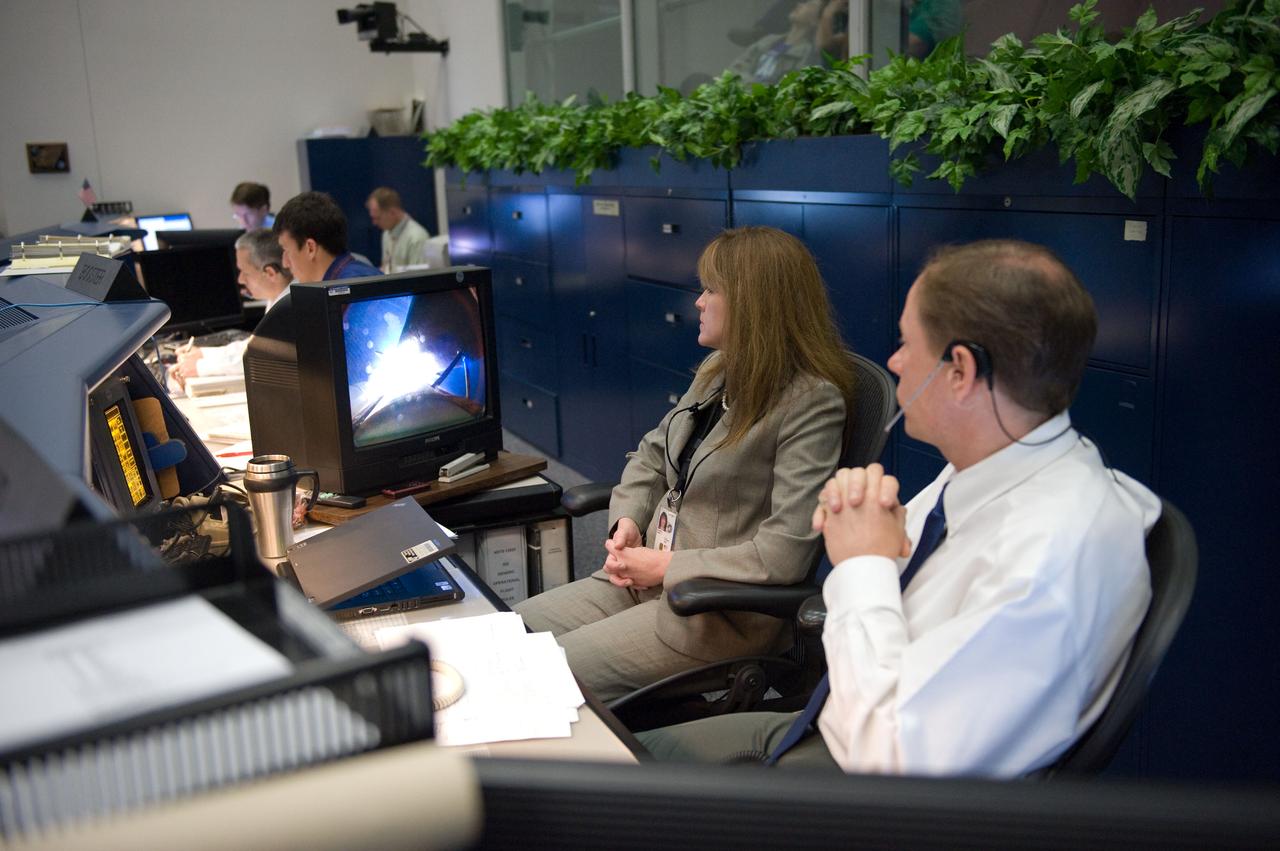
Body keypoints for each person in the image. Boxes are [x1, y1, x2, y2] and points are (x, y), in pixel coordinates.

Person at [638, 239, 1160, 776]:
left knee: (605, 783)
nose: (894, 362)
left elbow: (890, 755)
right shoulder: (985, 470)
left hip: (876, 786)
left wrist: (863, 563)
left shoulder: (1054, 554)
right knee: (619, 750)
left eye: (908, 343)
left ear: (959, 369)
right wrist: (864, 540)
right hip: (831, 719)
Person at [515, 226, 856, 703]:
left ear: (755, 304)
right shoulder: (722, 368)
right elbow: (654, 452)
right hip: (642, 576)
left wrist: (666, 565)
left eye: (711, 290)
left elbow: (783, 554)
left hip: (712, 613)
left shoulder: (811, 403)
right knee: (504, 637)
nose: (698, 302)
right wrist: (628, 519)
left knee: (535, 678)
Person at [167, 228, 292, 390]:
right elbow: (256, 346)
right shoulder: (278, 298)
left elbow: (262, 359)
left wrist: (200, 367)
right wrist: (204, 354)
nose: (240, 279)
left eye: (244, 272)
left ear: (270, 273)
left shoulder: (289, 307)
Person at [273, 191, 380, 283]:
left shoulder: (349, 291)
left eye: (286, 250)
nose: (285, 263)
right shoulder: (347, 279)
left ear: (310, 248)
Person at [366, 187, 431, 273]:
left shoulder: (417, 238)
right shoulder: (386, 233)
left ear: (392, 212)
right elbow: (386, 268)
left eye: (377, 218)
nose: (374, 223)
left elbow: (418, 280)